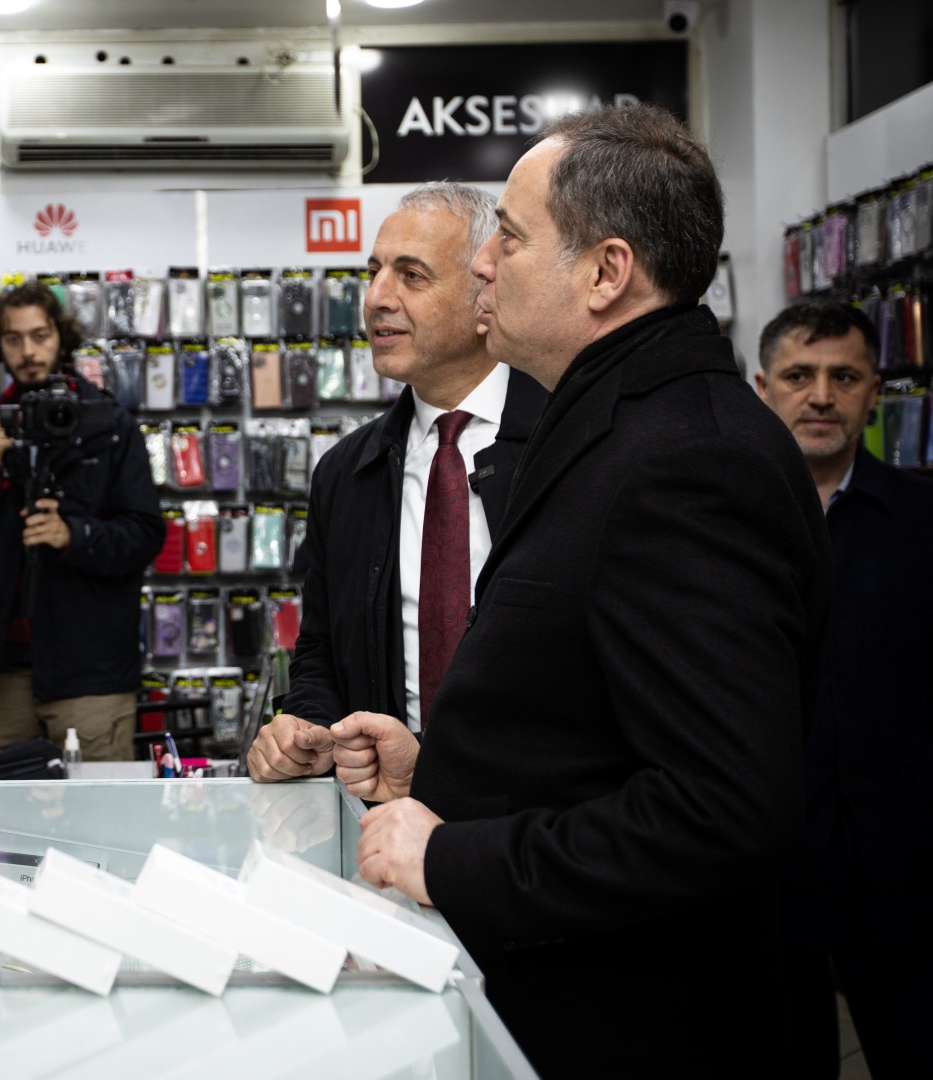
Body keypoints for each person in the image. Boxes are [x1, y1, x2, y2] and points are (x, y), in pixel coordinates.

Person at [337, 104, 830, 1077]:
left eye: (511, 238)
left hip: (640, 1026)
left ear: (606, 273)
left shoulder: (685, 461)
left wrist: (451, 858)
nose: (484, 262)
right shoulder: (625, 424)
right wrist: (439, 770)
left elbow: (721, 809)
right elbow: (595, 721)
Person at [756, 300, 933, 1080]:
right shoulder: (724, 519)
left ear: (873, 391)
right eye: (800, 375)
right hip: (763, 877)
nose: (821, 395)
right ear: (764, 388)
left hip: (906, 875)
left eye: (844, 376)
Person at [247, 183, 546, 782]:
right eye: (375, 271)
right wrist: (302, 731)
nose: (377, 297)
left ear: (484, 290)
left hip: (534, 827)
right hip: (381, 827)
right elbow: (321, 654)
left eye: (412, 275)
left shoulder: (565, 446)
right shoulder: (345, 473)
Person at [0, 282, 164, 762]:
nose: (28, 350)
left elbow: (145, 535)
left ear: (60, 337)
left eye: (39, 335)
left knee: (100, 826)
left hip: (90, 671)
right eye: (14, 339)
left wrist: (73, 534)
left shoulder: (109, 423)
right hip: (5, 671)